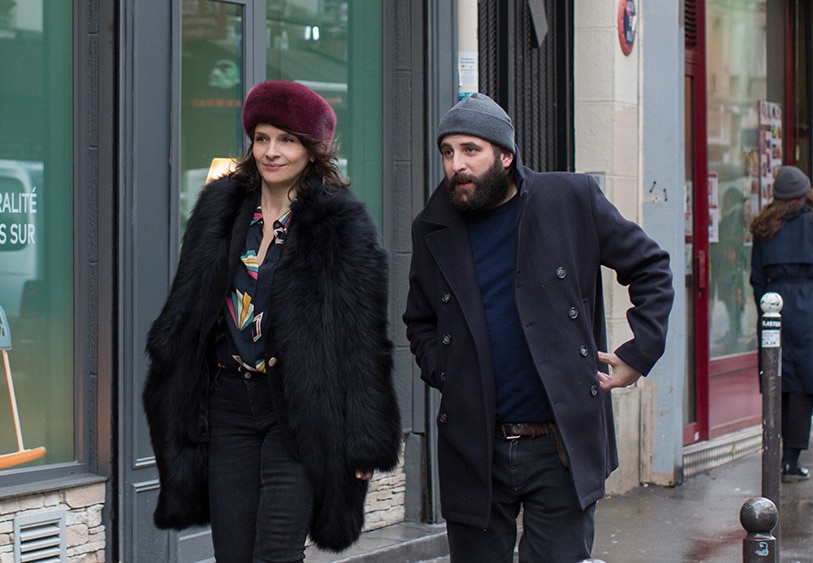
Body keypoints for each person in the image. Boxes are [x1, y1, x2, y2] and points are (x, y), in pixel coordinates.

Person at [403, 93, 674, 562]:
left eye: (471, 150)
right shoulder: (432, 227)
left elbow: (650, 266)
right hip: (475, 443)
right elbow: (420, 321)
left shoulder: (569, 199)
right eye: (448, 152)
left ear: (505, 156)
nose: (456, 165)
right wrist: (448, 372)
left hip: (560, 442)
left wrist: (639, 352)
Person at [142, 80, 402, 562]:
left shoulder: (343, 226)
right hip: (228, 405)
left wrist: (366, 438)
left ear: (312, 149)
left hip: (299, 406)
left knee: (277, 553)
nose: (271, 151)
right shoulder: (220, 210)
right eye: (262, 138)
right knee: (233, 554)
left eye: (286, 139)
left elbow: (364, 340)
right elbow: (190, 306)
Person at [750, 165, 813, 482]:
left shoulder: (764, 227)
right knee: (804, 382)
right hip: (811, 309)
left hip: (774, 304)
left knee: (779, 378)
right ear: (805, 193)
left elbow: (756, 278)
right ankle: (791, 458)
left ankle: (775, 452)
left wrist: (766, 306)